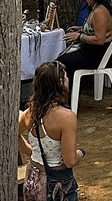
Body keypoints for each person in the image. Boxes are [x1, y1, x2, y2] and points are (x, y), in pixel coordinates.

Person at [18, 61, 84, 201]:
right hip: (57, 183)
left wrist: (33, 152)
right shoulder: (67, 117)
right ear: (60, 83)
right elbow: (69, 161)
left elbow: (14, 135)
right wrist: (81, 153)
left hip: (32, 178)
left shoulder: (30, 112)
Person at [59, 0, 112, 79]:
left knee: (60, 63)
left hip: (99, 54)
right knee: (64, 59)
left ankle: (66, 90)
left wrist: (79, 36)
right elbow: (98, 28)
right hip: (96, 51)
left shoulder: (100, 12)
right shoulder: (101, 7)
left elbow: (99, 40)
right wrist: (82, 28)